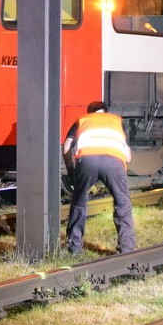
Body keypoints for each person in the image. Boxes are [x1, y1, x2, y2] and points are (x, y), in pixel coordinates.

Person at [64, 101, 136, 255]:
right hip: (113, 161)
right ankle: (127, 248)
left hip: (87, 161)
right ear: (105, 111)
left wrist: (71, 171)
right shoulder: (117, 121)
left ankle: (74, 247)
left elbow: (66, 147)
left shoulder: (82, 120)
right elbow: (128, 156)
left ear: (90, 112)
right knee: (123, 203)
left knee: (79, 202)